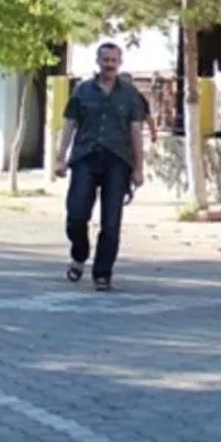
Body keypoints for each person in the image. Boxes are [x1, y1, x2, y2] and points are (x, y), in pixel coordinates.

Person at [52, 41, 148, 290]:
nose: (109, 65)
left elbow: (136, 131)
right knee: (76, 213)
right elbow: (69, 125)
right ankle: (79, 253)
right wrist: (60, 158)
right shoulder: (82, 91)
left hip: (118, 161)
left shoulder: (129, 95)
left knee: (111, 222)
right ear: (98, 61)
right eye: (105, 60)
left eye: (114, 61)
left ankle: (103, 273)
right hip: (86, 157)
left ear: (120, 63)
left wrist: (139, 168)